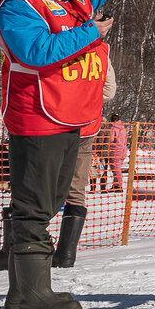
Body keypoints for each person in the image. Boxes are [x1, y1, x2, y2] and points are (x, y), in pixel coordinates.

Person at [0, 0, 155, 309]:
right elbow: (35, 51)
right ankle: (34, 295)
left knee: (50, 202)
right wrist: (90, 33)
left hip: (74, 118)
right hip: (38, 116)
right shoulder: (22, 2)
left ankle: (20, 291)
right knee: (34, 206)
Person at [55, 72, 118, 269]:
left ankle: (32, 247)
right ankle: (66, 253)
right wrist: (88, 99)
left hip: (55, 122)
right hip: (88, 124)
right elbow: (109, 90)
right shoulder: (102, 53)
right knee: (77, 187)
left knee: (44, 181)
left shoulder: (57, 42)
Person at [108, 112, 128, 191]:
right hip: (123, 150)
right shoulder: (123, 128)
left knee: (116, 169)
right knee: (118, 168)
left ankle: (118, 185)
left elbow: (111, 139)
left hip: (115, 150)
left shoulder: (113, 128)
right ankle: (116, 184)